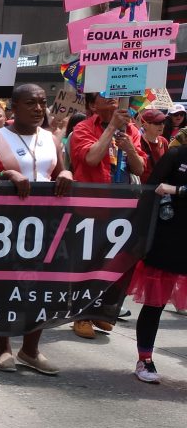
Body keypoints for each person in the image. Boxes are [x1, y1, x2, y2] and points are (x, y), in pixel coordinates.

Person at [0, 84, 74, 376]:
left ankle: (31, 349)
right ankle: (4, 349)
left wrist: (66, 173)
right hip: (5, 227)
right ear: (14, 107)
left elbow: (61, 172)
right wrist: (5, 174)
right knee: (2, 286)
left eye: (43, 103)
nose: (39, 108)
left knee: (43, 289)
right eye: (31, 103)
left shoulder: (53, 139)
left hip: (46, 227)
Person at [68, 92, 145, 339]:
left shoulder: (132, 130)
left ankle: (101, 312)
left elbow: (141, 168)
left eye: (117, 96)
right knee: (89, 262)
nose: (113, 99)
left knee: (117, 262)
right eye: (106, 96)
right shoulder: (82, 128)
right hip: (90, 208)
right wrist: (111, 128)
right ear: (92, 105)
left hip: (123, 209)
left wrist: (130, 149)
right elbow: (91, 158)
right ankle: (81, 315)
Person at [127, 144, 187, 383]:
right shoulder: (177, 154)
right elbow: (150, 190)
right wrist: (140, 236)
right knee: (155, 304)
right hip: (168, 242)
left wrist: (177, 190)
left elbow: (169, 188)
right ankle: (145, 359)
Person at [138, 109, 169, 182]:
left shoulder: (163, 141)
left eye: (163, 122)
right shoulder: (138, 142)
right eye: (157, 123)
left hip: (159, 187)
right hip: (143, 188)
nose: (162, 125)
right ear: (145, 125)